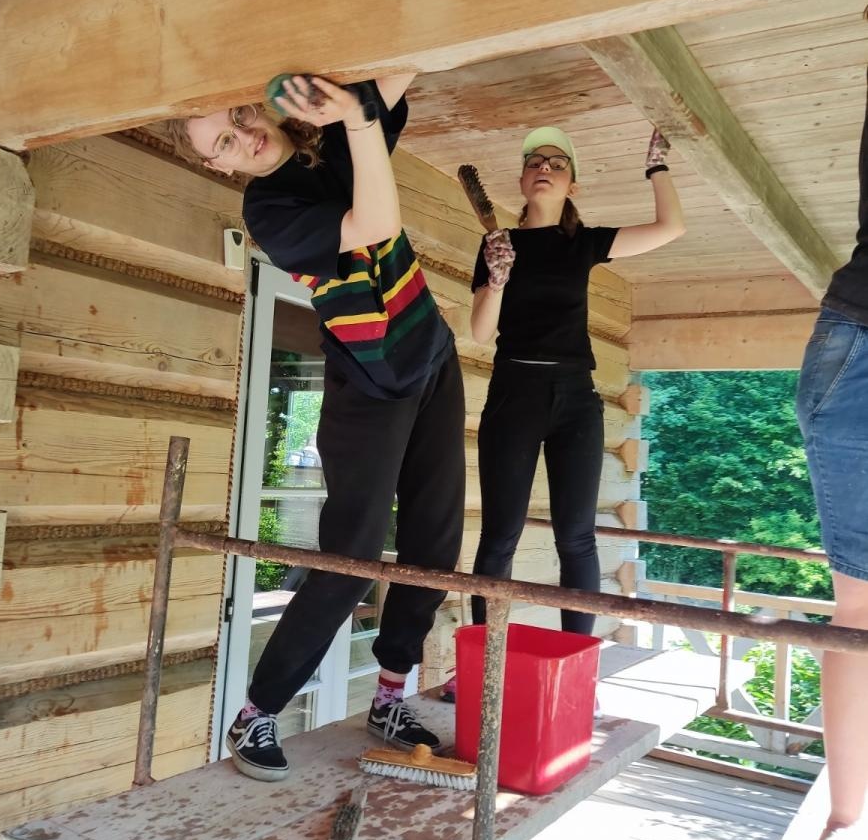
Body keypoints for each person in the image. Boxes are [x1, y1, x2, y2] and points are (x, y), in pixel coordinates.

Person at [167, 75, 465, 781]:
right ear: (219, 164)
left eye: (239, 113)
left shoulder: (323, 145)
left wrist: (355, 98)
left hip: (430, 354)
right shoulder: (269, 208)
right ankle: (258, 713)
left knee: (435, 541)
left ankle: (390, 698)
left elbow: (395, 72)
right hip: (369, 382)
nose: (244, 132)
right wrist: (358, 118)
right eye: (223, 141)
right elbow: (375, 226)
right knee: (352, 555)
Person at [454, 124, 683, 675]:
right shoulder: (497, 244)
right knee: (500, 536)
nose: (545, 167)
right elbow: (481, 334)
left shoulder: (582, 244)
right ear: (522, 178)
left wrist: (656, 168)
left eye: (558, 163)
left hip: (576, 401)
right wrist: (499, 280)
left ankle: (575, 668)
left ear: (571, 186)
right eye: (536, 160)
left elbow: (670, 227)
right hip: (515, 392)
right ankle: (484, 666)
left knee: (576, 537)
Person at [790, 68, 868, 840]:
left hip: (857, 346)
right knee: (861, 610)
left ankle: (849, 827)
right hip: (861, 347)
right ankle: (847, 826)